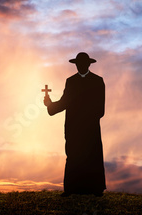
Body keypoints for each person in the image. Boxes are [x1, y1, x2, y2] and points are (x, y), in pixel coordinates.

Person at [44, 52, 106, 197]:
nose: (80, 66)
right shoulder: (71, 81)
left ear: (89, 64)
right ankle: (71, 189)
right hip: (74, 128)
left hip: (90, 128)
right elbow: (65, 102)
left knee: (92, 155)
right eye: (78, 64)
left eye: (83, 64)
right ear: (76, 65)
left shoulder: (98, 81)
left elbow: (100, 108)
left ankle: (96, 189)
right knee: (73, 155)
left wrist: (87, 118)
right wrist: (50, 105)